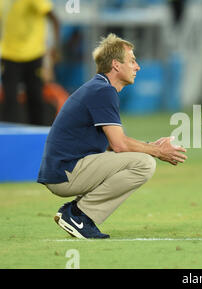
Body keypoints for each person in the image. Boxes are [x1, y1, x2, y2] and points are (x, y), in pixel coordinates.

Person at [37, 33, 188, 239]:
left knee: (140, 158)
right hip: (66, 172)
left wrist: (149, 145)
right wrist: (158, 151)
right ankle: (79, 215)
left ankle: (76, 211)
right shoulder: (103, 91)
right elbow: (119, 145)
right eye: (132, 61)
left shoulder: (99, 88)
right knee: (144, 164)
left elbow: (111, 144)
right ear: (116, 65)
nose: (138, 67)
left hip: (64, 169)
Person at [0, 0, 60, 125]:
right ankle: (8, 137)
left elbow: (54, 18)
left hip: (33, 54)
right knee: (9, 99)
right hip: (9, 55)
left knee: (35, 98)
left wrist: (55, 47)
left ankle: (38, 136)